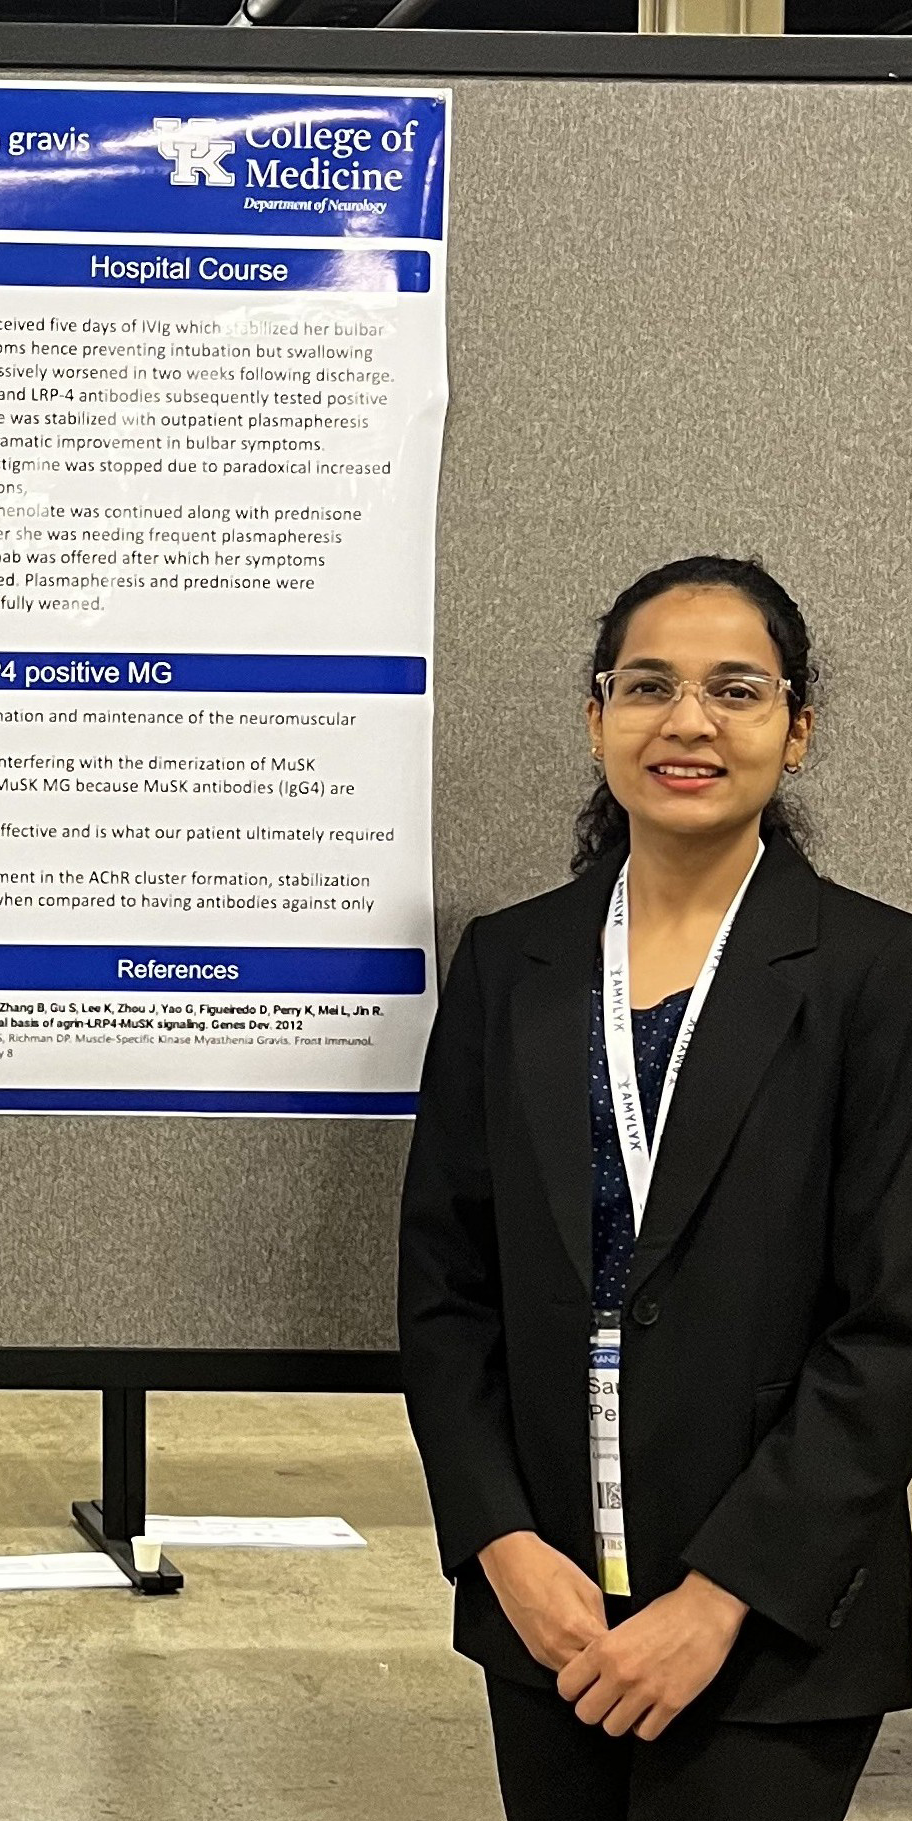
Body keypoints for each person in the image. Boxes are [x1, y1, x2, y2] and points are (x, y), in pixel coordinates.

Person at [399, 554, 912, 1818]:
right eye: (647, 686)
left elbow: (892, 1326)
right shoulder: (509, 962)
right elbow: (443, 1288)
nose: (686, 722)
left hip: (773, 1617)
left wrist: (719, 1595)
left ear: (794, 732)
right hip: (548, 1607)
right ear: (595, 719)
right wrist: (501, 1546)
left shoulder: (872, 974)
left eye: (733, 691)